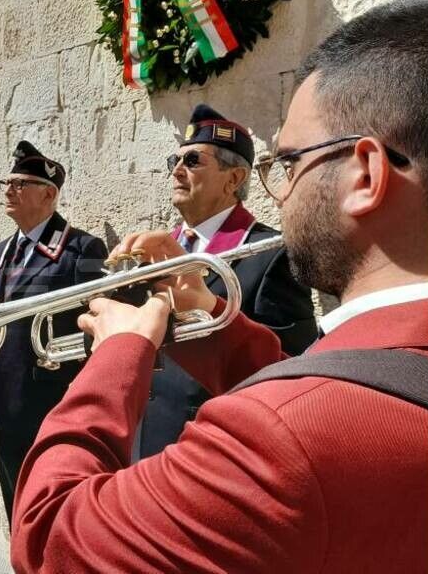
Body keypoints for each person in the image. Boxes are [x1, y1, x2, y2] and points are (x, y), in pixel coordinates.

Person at [10, 1, 428, 572]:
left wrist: (117, 355)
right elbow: (318, 378)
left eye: (289, 164)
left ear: (366, 174)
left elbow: (47, 538)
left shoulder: (274, 437)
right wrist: (210, 314)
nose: (281, 191)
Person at [136, 105, 317, 459]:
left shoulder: (270, 254)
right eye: (175, 160)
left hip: (215, 446)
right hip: (147, 437)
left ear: (233, 179)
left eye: (192, 161)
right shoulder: (161, 249)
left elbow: (288, 370)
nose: (177, 170)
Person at [0, 141, 107, 525]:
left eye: (20, 184)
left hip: (48, 405)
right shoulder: (2, 250)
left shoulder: (82, 249)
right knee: (16, 514)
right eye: (7, 182)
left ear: (49, 194)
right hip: (2, 402)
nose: (9, 190)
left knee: (51, 517)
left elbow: (98, 328)